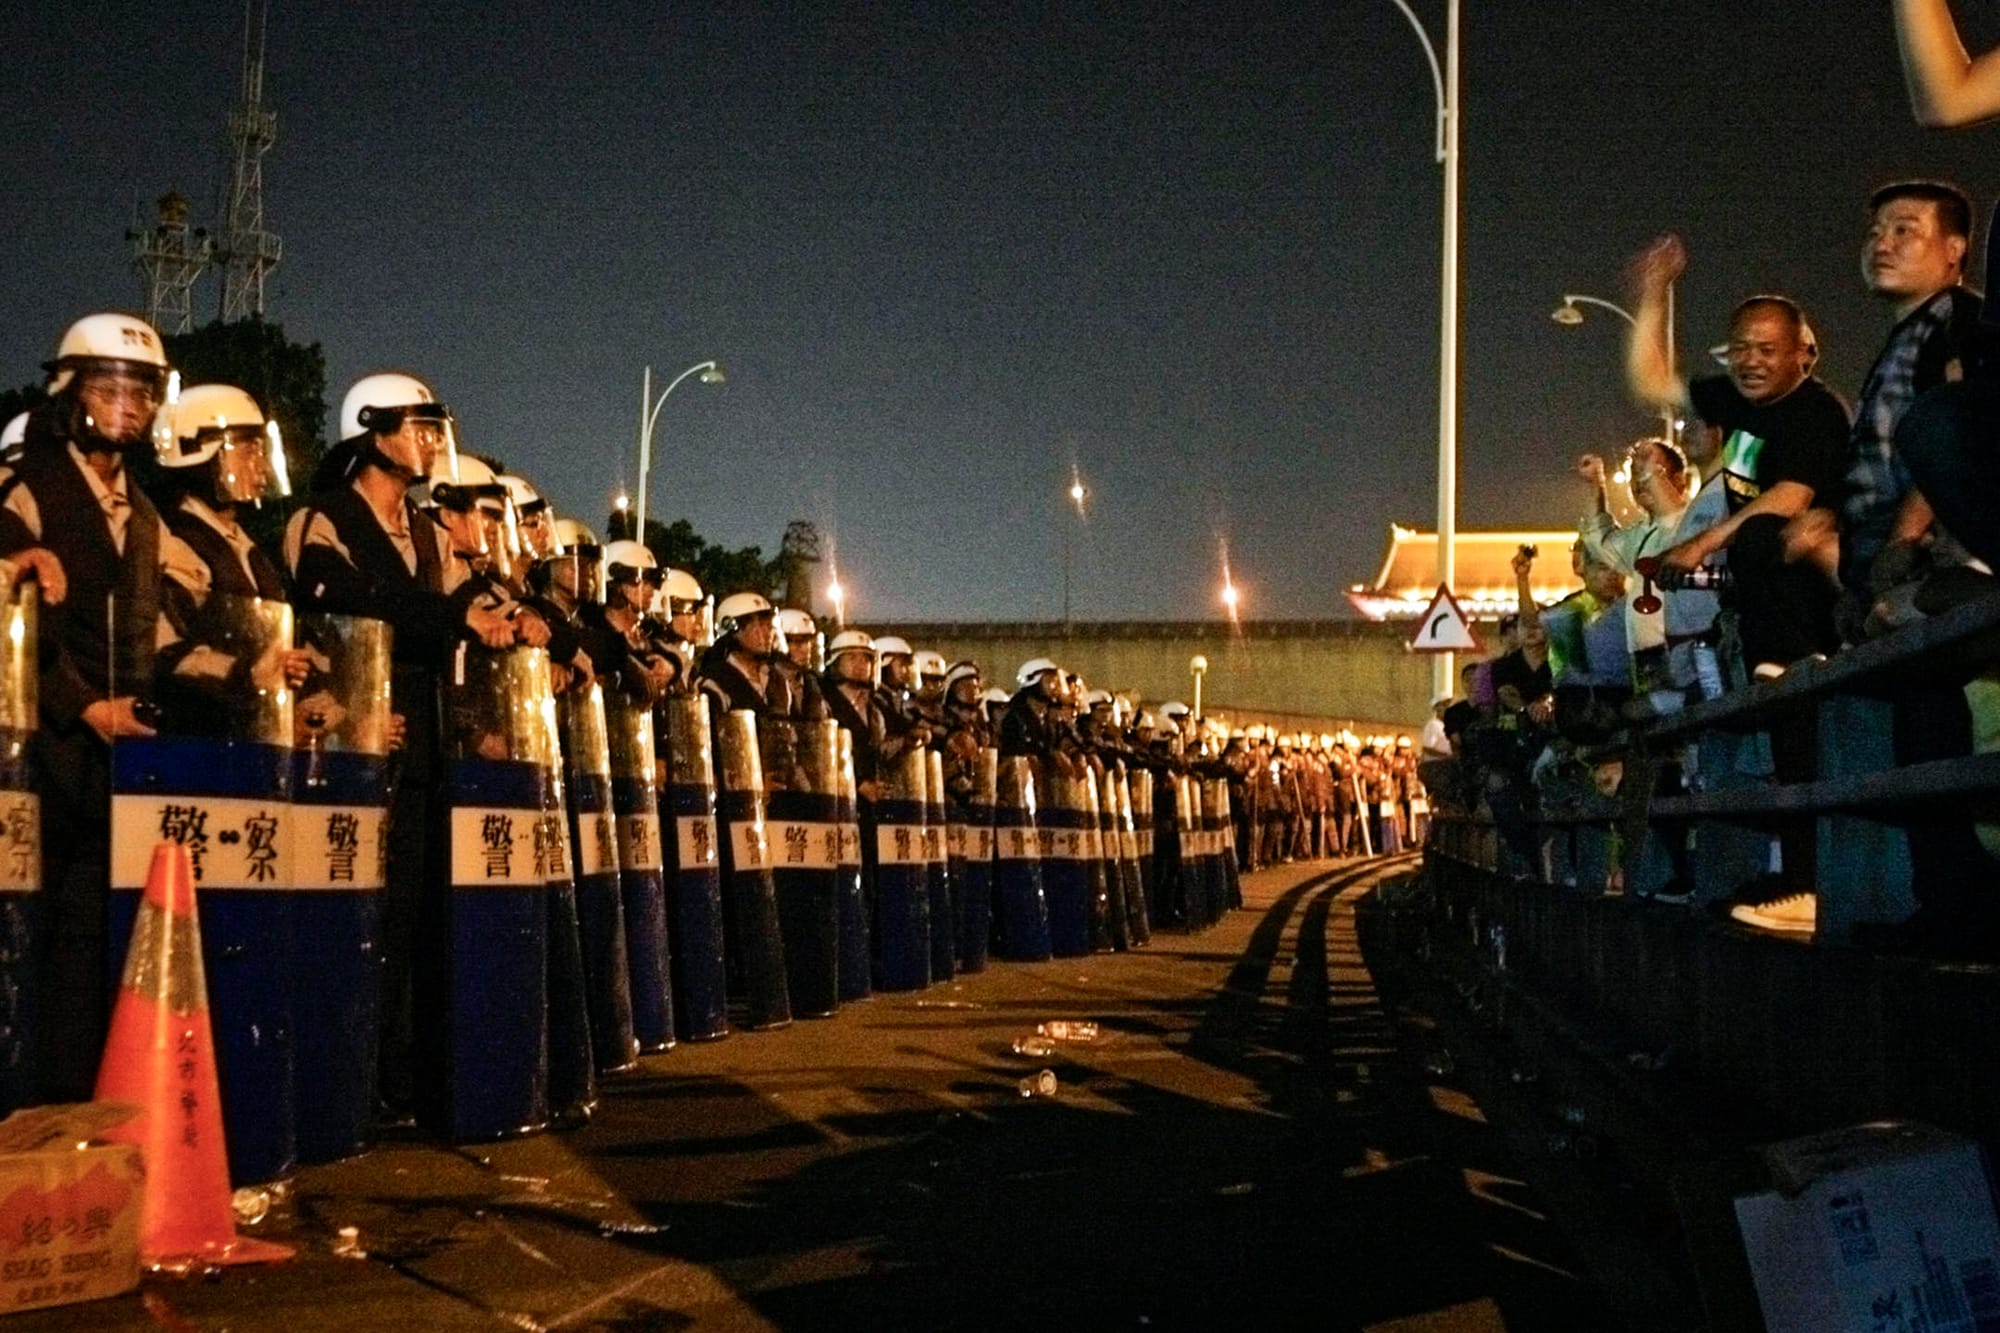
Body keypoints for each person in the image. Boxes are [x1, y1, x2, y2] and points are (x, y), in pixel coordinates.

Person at [0, 314, 181, 1098]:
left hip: (120, 760)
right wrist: (81, 703)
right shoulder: (29, 480)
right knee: (31, 937)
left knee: (96, 939)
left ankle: (84, 1110)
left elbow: (167, 623)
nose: (127, 406)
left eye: (142, 391)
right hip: (40, 751)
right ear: (69, 393)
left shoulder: (143, 509)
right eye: (109, 388)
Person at [1628, 238, 1851, 679]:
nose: (1751, 362)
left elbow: (1788, 499)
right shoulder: (1733, 397)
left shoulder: (1816, 411)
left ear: (1799, 354)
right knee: (1752, 541)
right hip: (1760, 594)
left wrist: (1700, 545)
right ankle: (1769, 670)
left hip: (1821, 582)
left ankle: (1798, 660)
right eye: (1740, 349)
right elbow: (1652, 382)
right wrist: (1654, 291)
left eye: (1767, 350)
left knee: (1759, 532)